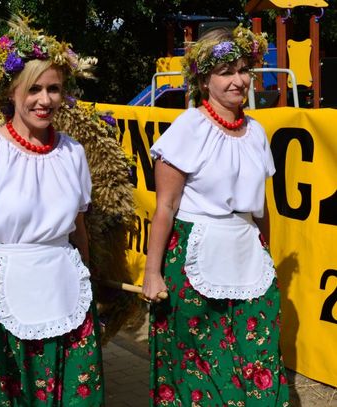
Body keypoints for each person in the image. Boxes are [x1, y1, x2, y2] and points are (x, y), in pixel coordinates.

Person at [0, 17, 104, 405]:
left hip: (69, 292)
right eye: (34, 88)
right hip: (10, 294)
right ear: (12, 92)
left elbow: (79, 232)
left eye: (53, 89)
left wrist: (90, 293)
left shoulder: (73, 152)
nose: (44, 99)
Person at [142, 26, 290, 406]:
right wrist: (152, 272)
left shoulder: (256, 131)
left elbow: (262, 207)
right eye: (226, 72)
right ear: (203, 79)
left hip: (248, 258)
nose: (238, 80)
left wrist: (267, 253)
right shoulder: (188, 128)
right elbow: (166, 207)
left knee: (259, 363)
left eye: (243, 70)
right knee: (202, 371)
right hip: (195, 260)